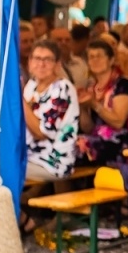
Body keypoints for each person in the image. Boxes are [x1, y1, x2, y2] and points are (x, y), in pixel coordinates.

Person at [23, 40, 79, 181]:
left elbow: (41, 132)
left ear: (58, 64)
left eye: (47, 60)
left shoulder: (62, 89)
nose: (41, 64)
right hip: (28, 157)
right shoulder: (32, 85)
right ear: (29, 62)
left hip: (51, 162)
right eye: (37, 58)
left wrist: (19, 100)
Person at [76, 39, 128, 165]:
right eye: (91, 57)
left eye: (99, 56)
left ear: (111, 60)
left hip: (118, 142)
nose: (95, 60)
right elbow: (88, 128)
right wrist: (81, 106)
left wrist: (94, 104)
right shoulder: (92, 88)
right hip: (96, 141)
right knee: (63, 144)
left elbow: (118, 122)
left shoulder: (123, 84)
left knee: (71, 148)